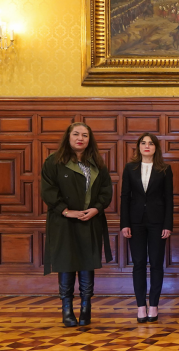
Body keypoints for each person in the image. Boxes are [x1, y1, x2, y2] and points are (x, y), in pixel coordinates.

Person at [41, 122, 113, 327]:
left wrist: (96, 208)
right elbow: (48, 190)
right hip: (63, 222)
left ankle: (85, 309)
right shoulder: (53, 162)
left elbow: (106, 191)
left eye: (85, 135)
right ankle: (67, 311)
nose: (80, 138)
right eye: (76, 134)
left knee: (87, 264)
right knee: (66, 264)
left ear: (90, 139)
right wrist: (66, 210)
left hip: (90, 221)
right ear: (68, 137)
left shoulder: (97, 163)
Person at [120, 133, 174, 323]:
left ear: (156, 147)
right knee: (139, 264)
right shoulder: (130, 168)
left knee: (157, 264)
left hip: (158, 222)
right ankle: (141, 306)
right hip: (135, 222)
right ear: (139, 147)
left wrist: (168, 225)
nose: (147, 146)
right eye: (143, 143)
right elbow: (125, 197)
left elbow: (169, 198)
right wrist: (124, 223)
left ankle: (154, 305)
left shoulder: (165, 169)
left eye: (151, 143)